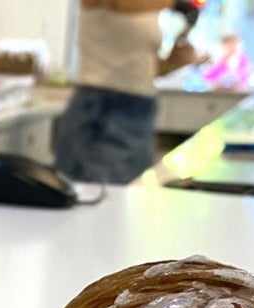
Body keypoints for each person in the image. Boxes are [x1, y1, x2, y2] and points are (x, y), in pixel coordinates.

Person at [54, 0, 200, 184]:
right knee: (96, 202)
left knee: (126, 200)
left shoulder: (150, 7)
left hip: (141, 111)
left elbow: (137, 66)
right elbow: (120, 4)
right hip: (102, 111)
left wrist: (172, 61)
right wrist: (176, 4)